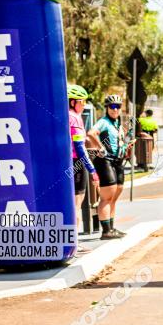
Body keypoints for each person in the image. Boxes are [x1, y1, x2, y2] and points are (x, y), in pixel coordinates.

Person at [89, 94, 131, 239]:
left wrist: (126, 146)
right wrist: (100, 146)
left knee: (116, 194)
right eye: (112, 107)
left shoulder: (118, 123)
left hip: (118, 161)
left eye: (118, 106)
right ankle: (106, 231)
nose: (115, 109)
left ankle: (112, 228)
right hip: (105, 160)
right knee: (107, 197)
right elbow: (91, 133)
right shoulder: (104, 122)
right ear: (107, 108)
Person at [69, 84, 99, 237]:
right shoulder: (74, 118)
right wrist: (92, 170)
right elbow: (80, 148)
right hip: (77, 164)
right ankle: (75, 243)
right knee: (76, 205)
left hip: (69, 163)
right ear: (73, 102)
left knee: (73, 205)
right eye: (82, 101)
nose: (84, 104)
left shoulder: (68, 116)